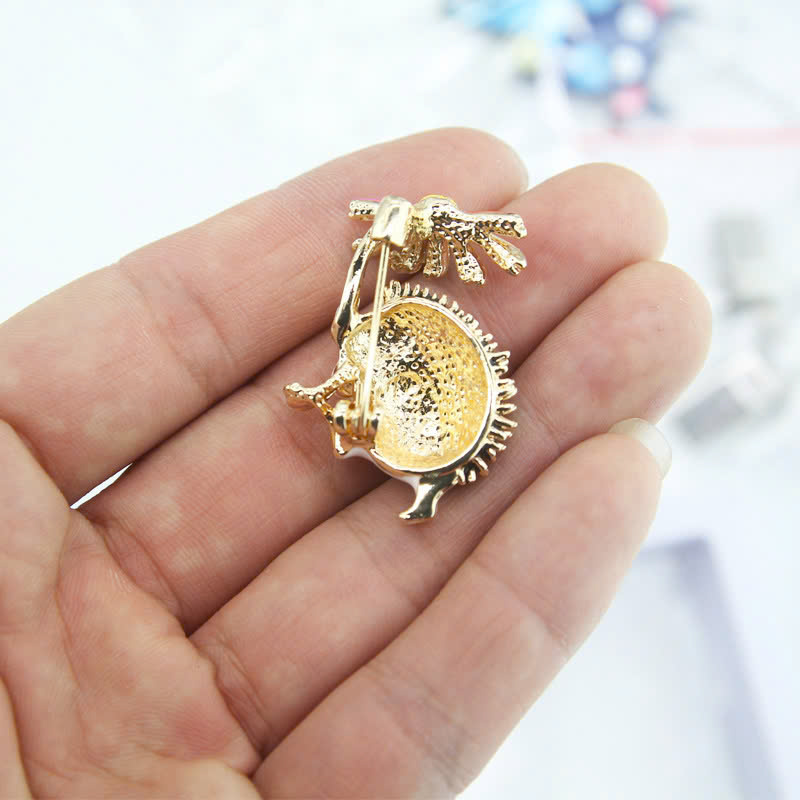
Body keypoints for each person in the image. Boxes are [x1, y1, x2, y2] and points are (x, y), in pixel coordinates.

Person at [0, 128, 710, 798]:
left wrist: (389, 248)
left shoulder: (383, 364)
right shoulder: (368, 354)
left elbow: (358, 338)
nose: (341, 435)